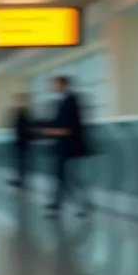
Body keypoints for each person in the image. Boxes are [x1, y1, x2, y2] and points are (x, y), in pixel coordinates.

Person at [37, 75, 92, 216]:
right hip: (62, 145)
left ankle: (81, 204)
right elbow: (57, 122)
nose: (55, 87)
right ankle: (59, 204)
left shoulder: (72, 100)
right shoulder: (62, 101)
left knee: (68, 176)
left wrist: (52, 131)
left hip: (70, 145)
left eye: (56, 84)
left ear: (64, 84)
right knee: (61, 175)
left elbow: (71, 125)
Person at [10, 93, 33, 187]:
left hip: (23, 142)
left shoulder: (25, 112)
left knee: (22, 162)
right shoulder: (20, 111)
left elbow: (26, 128)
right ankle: (20, 178)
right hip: (20, 141)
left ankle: (22, 180)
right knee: (20, 162)